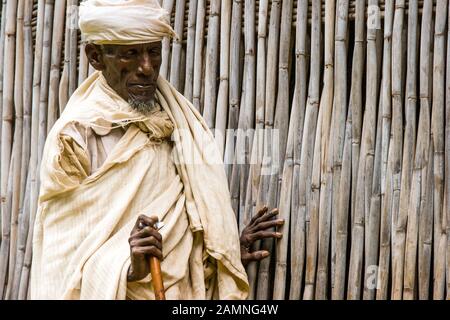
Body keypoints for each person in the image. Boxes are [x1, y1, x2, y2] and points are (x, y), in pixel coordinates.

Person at [30, 0, 283, 300]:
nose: (147, 68)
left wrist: (221, 246)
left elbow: (183, 218)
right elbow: (61, 268)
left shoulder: (176, 118)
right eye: (130, 54)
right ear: (95, 57)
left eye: (153, 51)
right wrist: (128, 269)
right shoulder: (73, 140)